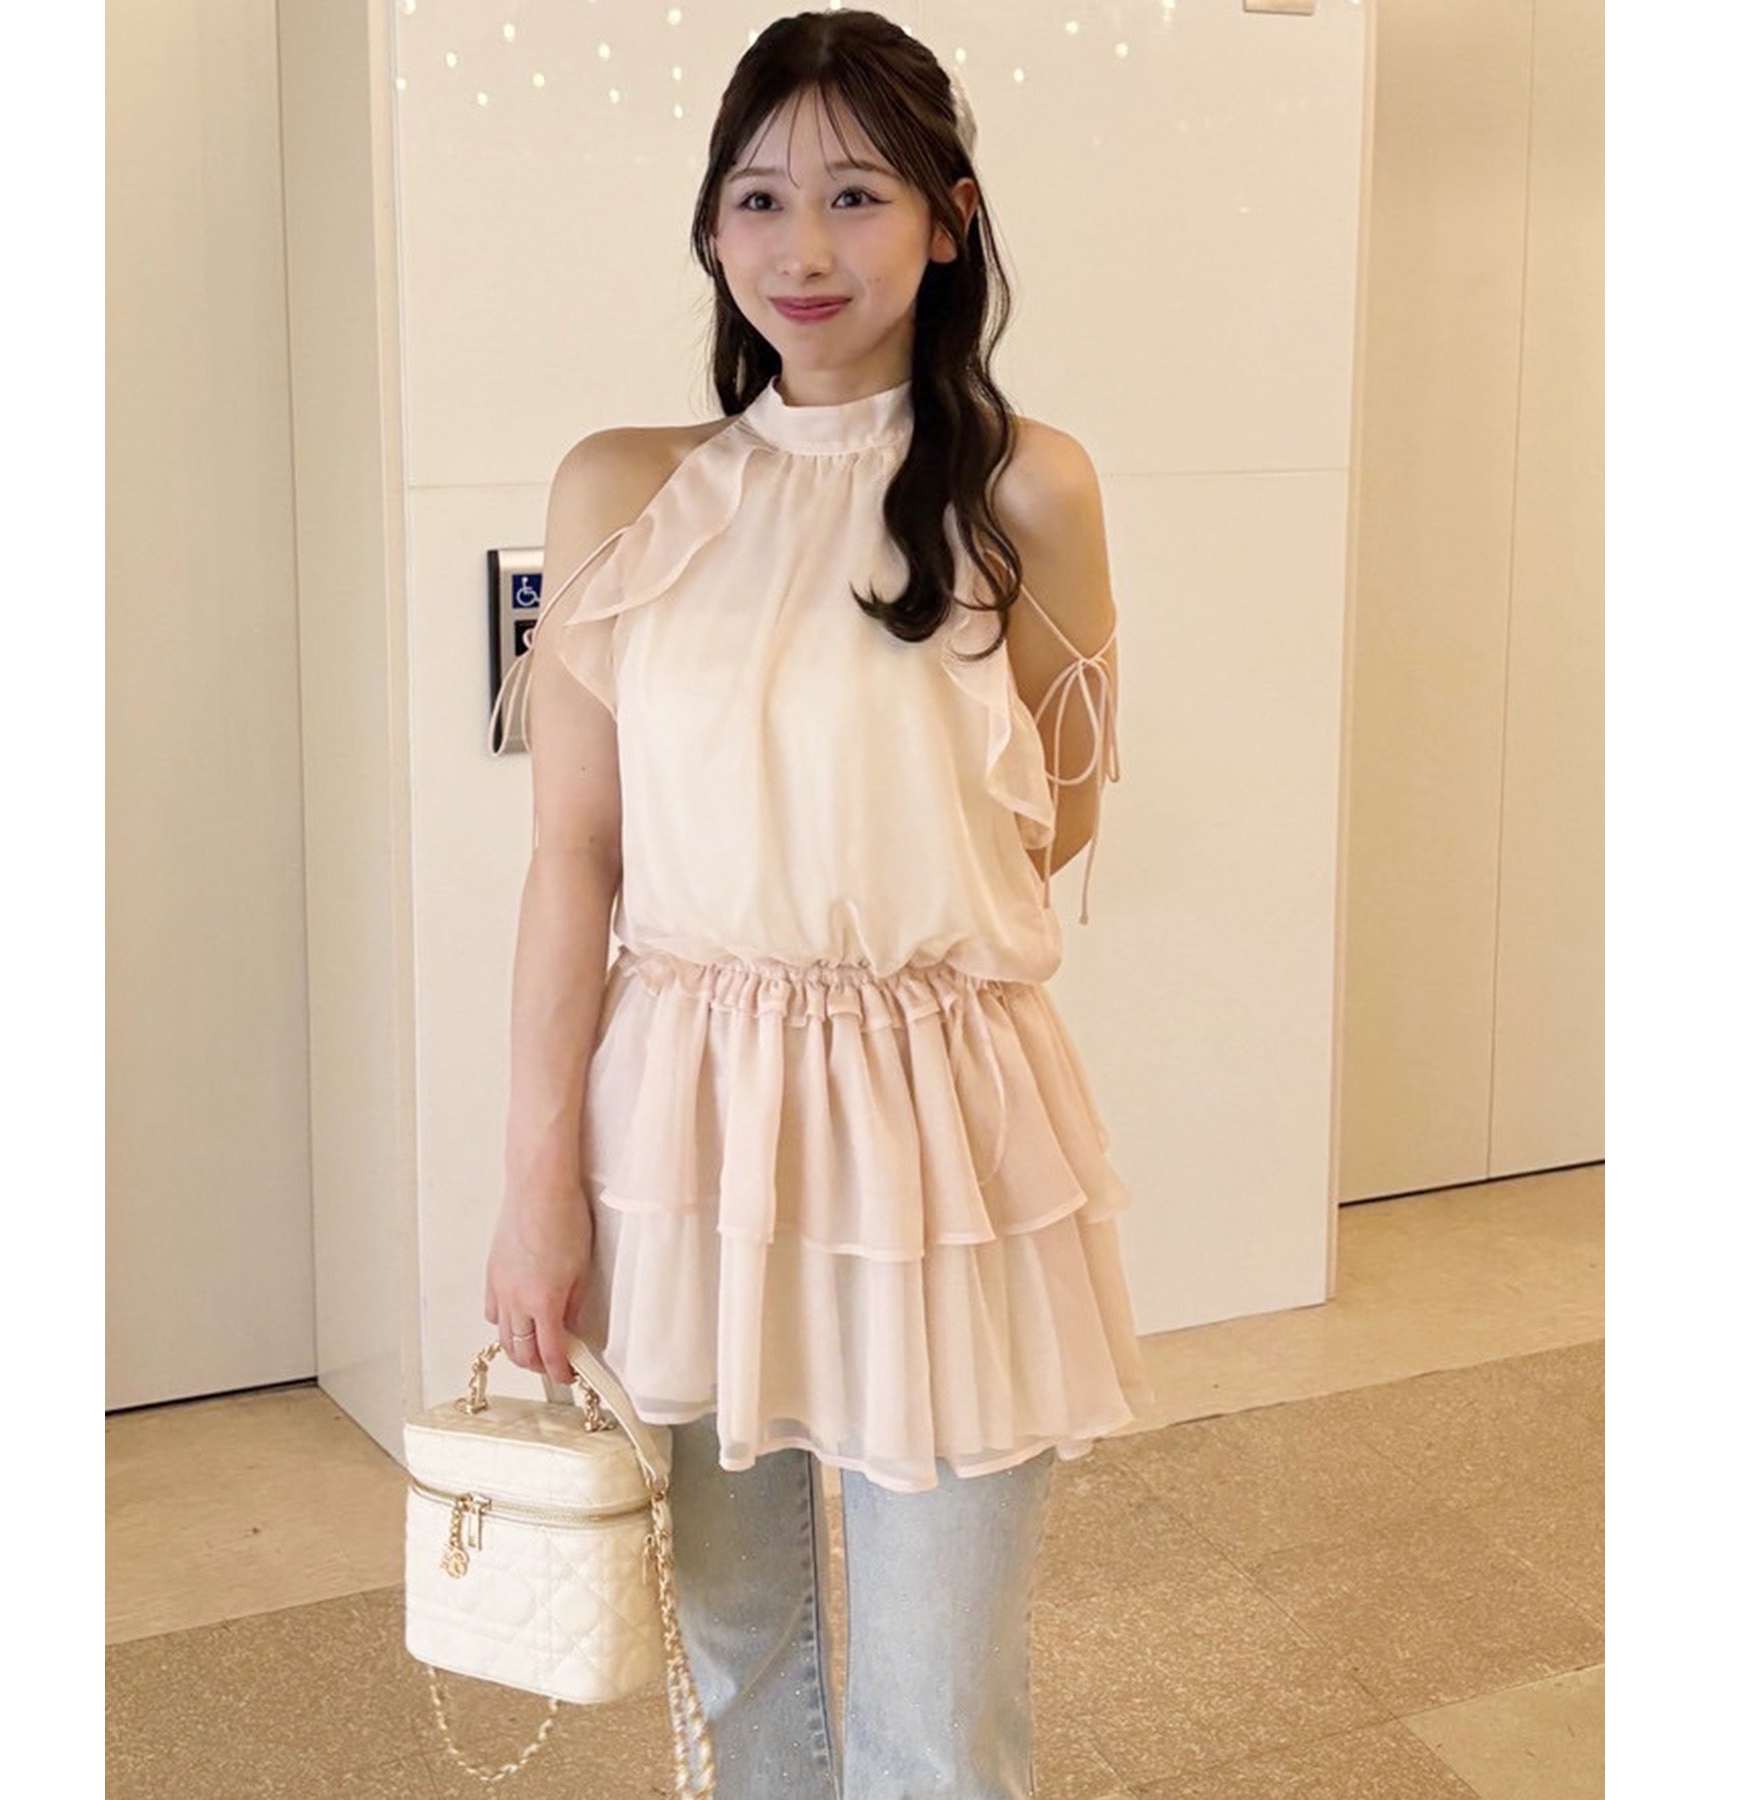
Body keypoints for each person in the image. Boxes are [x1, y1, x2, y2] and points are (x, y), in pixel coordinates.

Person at [483, 11, 1158, 1796]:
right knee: (737, 1652)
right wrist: (536, 1184)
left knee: (940, 1703)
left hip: (943, 1127)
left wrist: (866, 940)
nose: (802, 246)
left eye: (855, 195)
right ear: (711, 225)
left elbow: (1053, 819)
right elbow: (574, 858)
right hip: (684, 1121)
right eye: (759, 197)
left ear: (949, 218)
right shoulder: (626, 489)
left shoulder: (1030, 487)